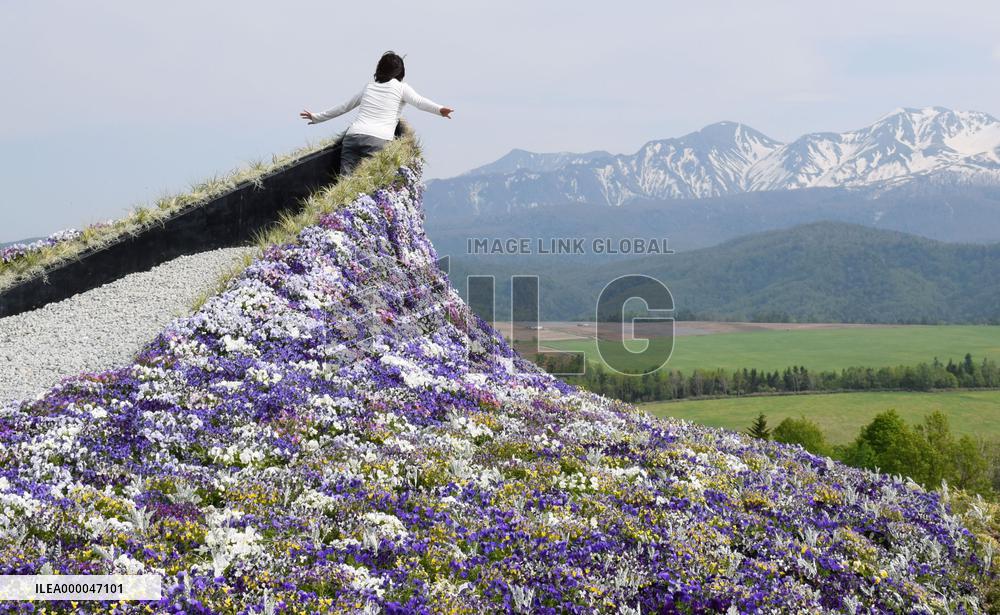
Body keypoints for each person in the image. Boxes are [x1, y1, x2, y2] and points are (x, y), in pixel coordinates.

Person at [300, 51, 453, 175]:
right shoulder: (401, 88)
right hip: (378, 140)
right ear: (401, 71)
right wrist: (440, 110)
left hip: (353, 137)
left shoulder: (369, 87)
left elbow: (344, 106)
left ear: (379, 68)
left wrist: (316, 117)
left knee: (345, 185)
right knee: (374, 182)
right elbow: (419, 102)